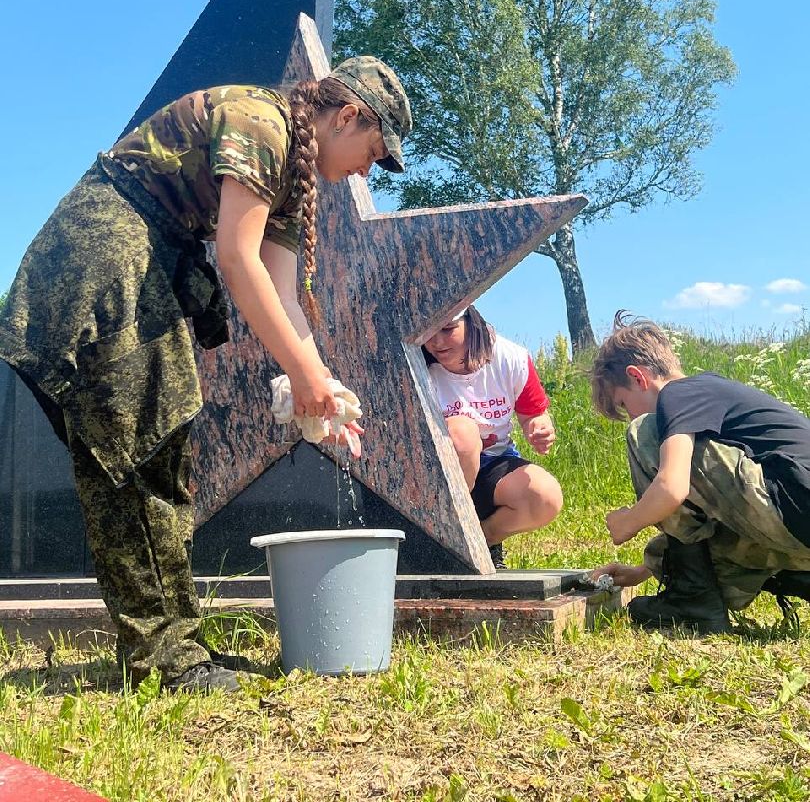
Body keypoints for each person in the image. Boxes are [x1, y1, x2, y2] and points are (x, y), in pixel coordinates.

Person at [0, 56, 411, 691]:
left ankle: (175, 647)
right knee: (136, 452)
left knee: (161, 450)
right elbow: (237, 259)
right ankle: (165, 659)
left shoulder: (292, 175)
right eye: (373, 152)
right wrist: (304, 375)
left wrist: (322, 387)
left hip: (148, 257)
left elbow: (282, 294)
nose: (367, 170)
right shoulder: (262, 122)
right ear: (347, 116)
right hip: (105, 252)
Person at [590, 313, 810, 633]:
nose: (629, 414)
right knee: (709, 561)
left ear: (637, 377)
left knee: (645, 431)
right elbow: (705, 514)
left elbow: (672, 488)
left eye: (624, 404)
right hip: (797, 518)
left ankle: (691, 601)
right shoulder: (711, 393)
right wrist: (644, 570)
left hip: (794, 498)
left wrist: (628, 522)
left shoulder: (678, 394)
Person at [422, 306, 563, 569]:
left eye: (448, 329)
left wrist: (539, 428)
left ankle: (481, 541)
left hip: (493, 463)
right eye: (428, 332)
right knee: (463, 434)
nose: (436, 342)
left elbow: (534, 415)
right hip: (438, 471)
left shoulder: (511, 358)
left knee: (545, 497)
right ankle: (441, 535)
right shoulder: (417, 363)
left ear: (471, 323)